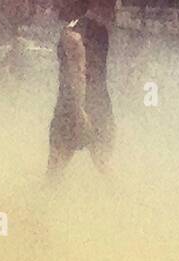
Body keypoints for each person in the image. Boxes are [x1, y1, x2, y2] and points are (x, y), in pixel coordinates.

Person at [47, 0, 115, 177]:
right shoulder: (100, 29)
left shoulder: (71, 34)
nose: (56, 4)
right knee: (106, 169)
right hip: (101, 106)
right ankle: (135, 202)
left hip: (71, 109)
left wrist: (79, 110)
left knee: (53, 174)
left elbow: (78, 73)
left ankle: (43, 204)